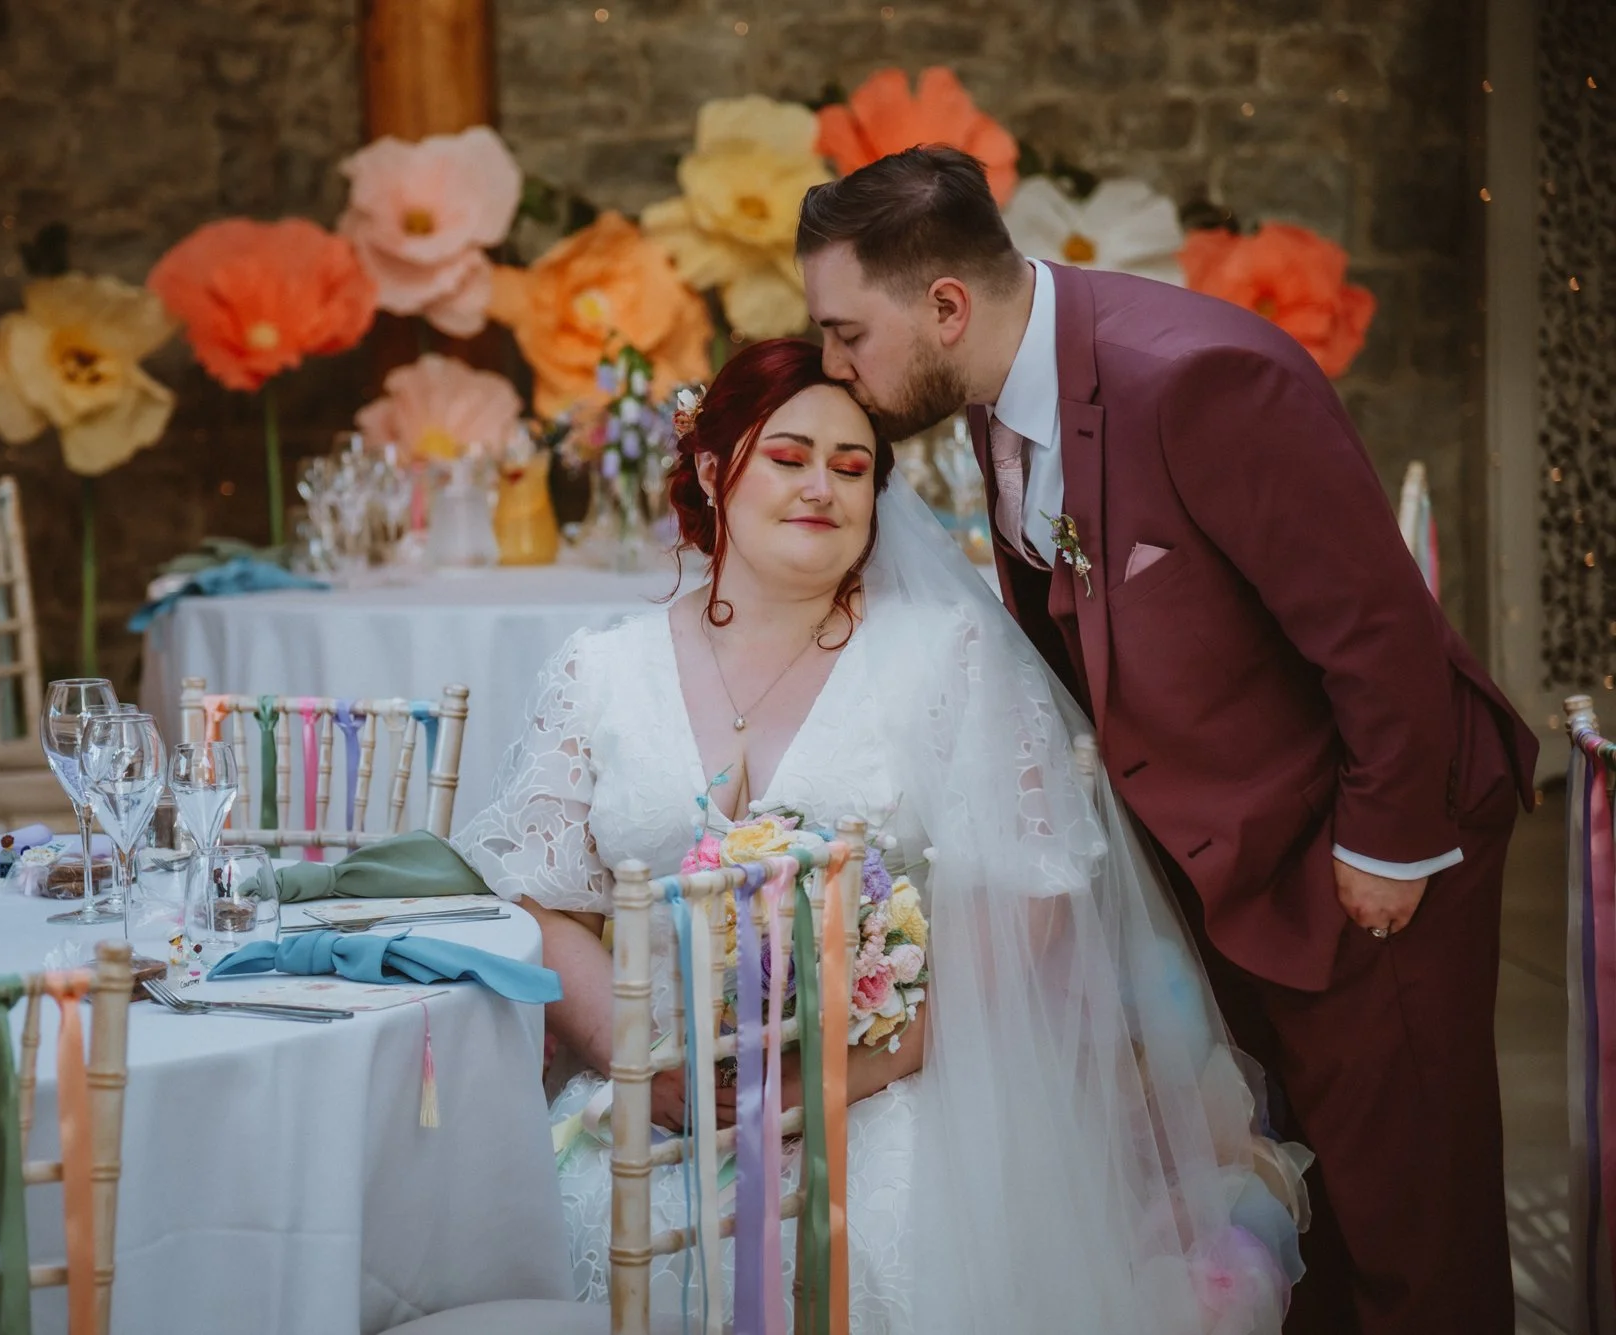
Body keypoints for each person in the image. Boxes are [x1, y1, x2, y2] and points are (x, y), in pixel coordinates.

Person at [795, 145, 1539, 1335]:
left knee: (1415, 1222)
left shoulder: (1198, 379)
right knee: (1318, 1196)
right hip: (1230, 845)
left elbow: (1378, 633)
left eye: (845, 334)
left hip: (1367, 841)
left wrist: (1387, 847)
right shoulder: (993, 399)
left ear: (943, 306)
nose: (833, 366)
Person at [454, 337, 1313, 1333]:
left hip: (890, 1100)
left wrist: (846, 1073)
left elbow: (1023, 902)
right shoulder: (595, 672)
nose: (821, 484)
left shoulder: (940, 656)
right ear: (708, 470)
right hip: (644, 1098)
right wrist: (646, 1062)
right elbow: (545, 902)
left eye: (851, 467)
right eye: (788, 456)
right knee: (577, 1222)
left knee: (885, 1238)